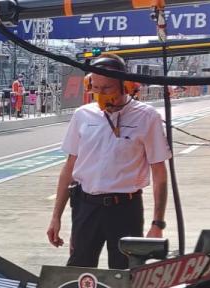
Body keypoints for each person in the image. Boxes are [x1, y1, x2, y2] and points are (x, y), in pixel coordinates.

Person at [46, 54, 172, 270]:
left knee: (126, 274)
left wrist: (157, 223)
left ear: (126, 86)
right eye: (96, 89)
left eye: (108, 89)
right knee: (79, 270)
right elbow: (69, 168)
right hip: (86, 207)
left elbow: (159, 172)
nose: (102, 95)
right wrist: (55, 217)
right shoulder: (82, 115)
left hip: (125, 209)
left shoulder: (147, 117)